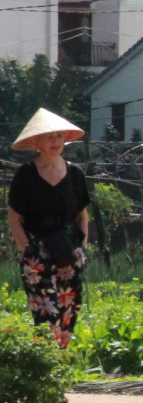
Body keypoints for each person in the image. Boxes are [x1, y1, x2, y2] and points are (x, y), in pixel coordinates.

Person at [8, 108, 91, 348]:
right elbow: (15, 218)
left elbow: (82, 216)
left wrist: (82, 250)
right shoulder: (25, 175)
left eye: (59, 136)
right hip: (37, 254)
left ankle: (62, 363)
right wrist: (27, 251)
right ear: (36, 142)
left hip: (68, 250)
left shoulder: (75, 174)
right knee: (46, 314)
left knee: (69, 310)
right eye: (49, 137)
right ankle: (47, 365)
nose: (55, 142)